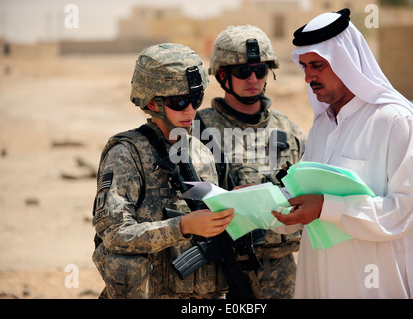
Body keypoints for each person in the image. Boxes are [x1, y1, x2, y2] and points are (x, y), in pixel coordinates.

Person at [272, 8, 413, 298]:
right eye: (304, 66)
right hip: (321, 278)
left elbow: (403, 212)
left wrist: (327, 208)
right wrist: (262, 200)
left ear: (346, 61)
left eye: (317, 65)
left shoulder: (395, 121)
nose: (307, 77)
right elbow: (303, 196)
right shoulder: (322, 127)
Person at [91, 43, 235, 299]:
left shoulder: (201, 153)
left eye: (195, 99)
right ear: (153, 102)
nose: (190, 110)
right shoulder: (127, 153)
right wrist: (180, 226)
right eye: (179, 102)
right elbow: (113, 233)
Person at [196, 25, 307, 299]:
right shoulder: (198, 129)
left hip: (281, 268)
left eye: (261, 71)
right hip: (222, 270)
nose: (253, 79)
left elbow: (308, 192)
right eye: (243, 72)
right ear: (223, 75)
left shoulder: (289, 129)